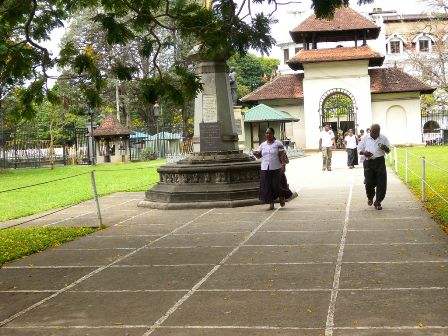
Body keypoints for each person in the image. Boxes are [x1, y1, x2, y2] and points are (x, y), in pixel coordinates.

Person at [253, 128, 289, 210]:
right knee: (267, 187)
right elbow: (259, 156)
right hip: (265, 168)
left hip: (276, 167)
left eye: (269, 133)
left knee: (276, 185)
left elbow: (282, 155)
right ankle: (271, 204)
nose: (268, 135)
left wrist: (283, 166)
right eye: (266, 133)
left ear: (273, 134)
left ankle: (281, 196)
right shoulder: (262, 145)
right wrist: (255, 154)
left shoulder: (278, 144)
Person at [357, 124, 391, 210]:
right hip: (368, 162)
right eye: (373, 132)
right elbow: (358, 149)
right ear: (370, 131)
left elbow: (388, 151)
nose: (374, 134)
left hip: (380, 162)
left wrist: (385, 148)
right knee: (369, 182)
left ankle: (378, 202)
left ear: (379, 132)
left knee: (381, 183)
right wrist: (364, 153)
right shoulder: (365, 138)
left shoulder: (383, 138)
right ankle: (370, 197)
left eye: (376, 133)